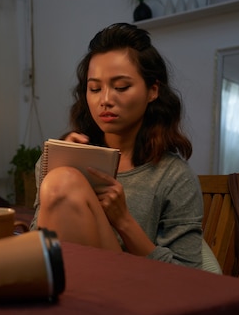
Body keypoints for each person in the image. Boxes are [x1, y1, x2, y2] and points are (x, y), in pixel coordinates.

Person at [31, 22, 204, 269]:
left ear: (152, 90)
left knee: (62, 181)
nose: (106, 100)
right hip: (67, 283)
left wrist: (123, 220)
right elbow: (40, 240)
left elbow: (191, 278)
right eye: (94, 88)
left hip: (134, 293)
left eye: (121, 87)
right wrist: (59, 169)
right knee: (61, 180)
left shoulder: (173, 177)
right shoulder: (60, 160)